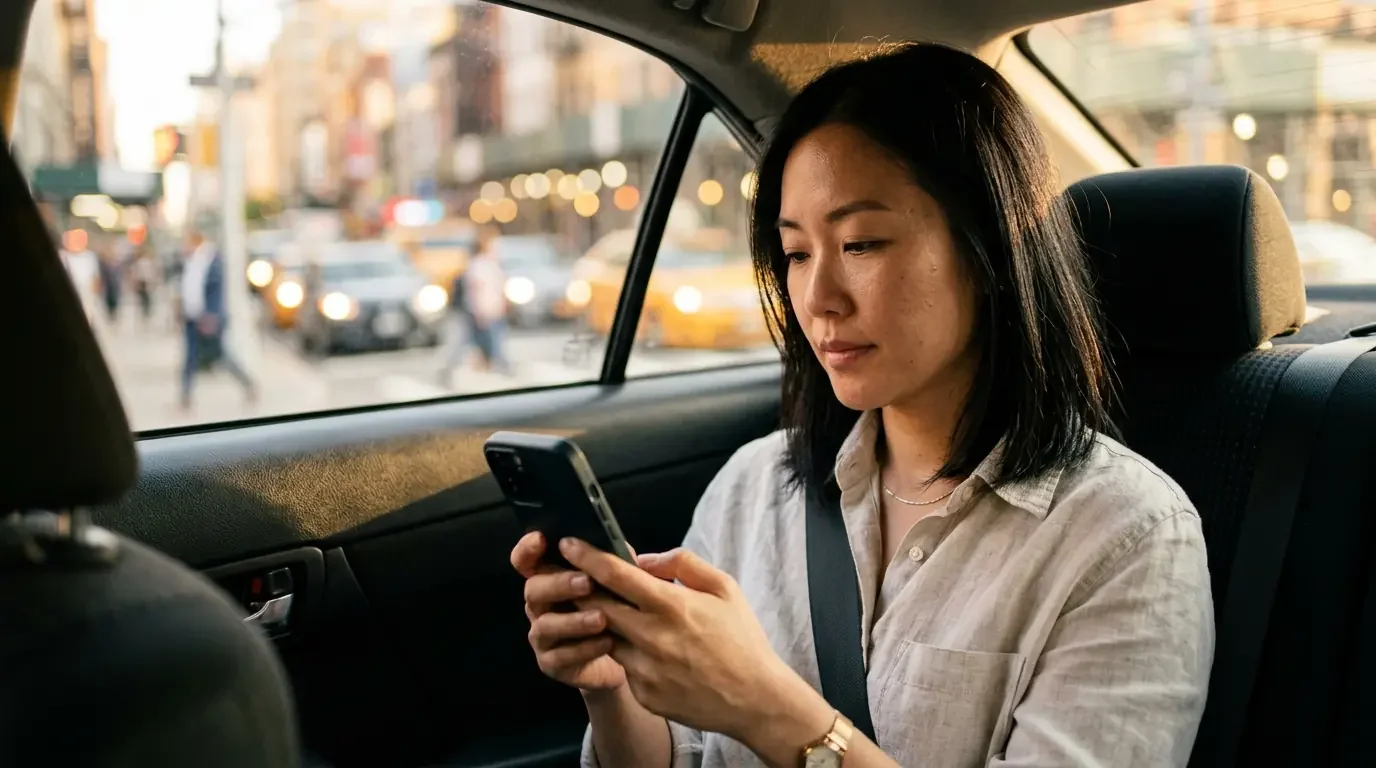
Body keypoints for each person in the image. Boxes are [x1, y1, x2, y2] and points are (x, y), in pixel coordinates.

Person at [510, 42, 1213, 768]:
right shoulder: (756, 486)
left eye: (861, 243)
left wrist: (766, 707)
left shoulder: (1126, 539)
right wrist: (612, 685)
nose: (817, 300)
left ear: (992, 249)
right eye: (797, 253)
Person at [179, 228, 257, 411]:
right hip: (192, 318)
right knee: (189, 358)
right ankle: (185, 397)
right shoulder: (191, 262)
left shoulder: (210, 260)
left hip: (207, 320)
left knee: (223, 356)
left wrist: (211, 315)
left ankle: (248, 383)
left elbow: (215, 292)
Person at [462, 224, 512, 376]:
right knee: (491, 340)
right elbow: (474, 290)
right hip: (485, 309)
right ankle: (498, 365)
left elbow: (500, 285)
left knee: (495, 338)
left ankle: (495, 364)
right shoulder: (478, 264)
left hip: (494, 307)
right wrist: (477, 310)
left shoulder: (493, 263)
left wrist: (504, 302)